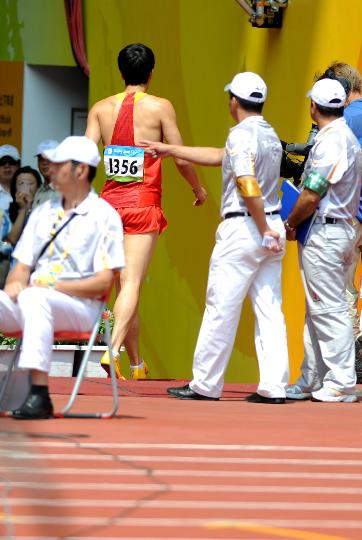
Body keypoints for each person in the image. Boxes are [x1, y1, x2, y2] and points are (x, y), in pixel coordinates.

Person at [144, 72, 290, 403]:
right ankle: (274, 386)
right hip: (271, 227)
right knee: (270, 310)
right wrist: (171, 149)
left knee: (220, 306)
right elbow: (220, 156)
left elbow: (245, 181)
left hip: (245, 228)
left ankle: (206, 384)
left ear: (234, 102)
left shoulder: (241, 135)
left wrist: (261, 228)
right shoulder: (269, 134)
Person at [85, 43, 207, 380]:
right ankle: (113, 351)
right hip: (142, 203)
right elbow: (180, 156)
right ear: (151, 73)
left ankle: (137, 365)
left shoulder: (100, 108)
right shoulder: (159, 107)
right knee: (133, 283)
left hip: (108, 205)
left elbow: (85, 156)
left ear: (121, 71)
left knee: (126, 285)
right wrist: (197, 188)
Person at [0, 136, 125, 419]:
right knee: (24, 297)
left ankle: (39, 395)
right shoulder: (44, 212)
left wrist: (51, 285)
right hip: (35, 300)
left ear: (80, 171)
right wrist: (13, 287)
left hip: (81, 307)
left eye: (58, 164)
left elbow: (104, 283)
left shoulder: (104, 216)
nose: (51, 169)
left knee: (36, 297)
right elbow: (21, 266)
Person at [284, 79, 362, 402]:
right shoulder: (342, 137)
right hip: (338, 231)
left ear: (313, 108)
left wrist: (290, 221)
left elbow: (312, 193)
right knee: (318, 306)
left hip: (326, 234)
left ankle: (342, 379)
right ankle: (312, 377)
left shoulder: (332, 142)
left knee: (327, 307)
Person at [0, 145, 21, 288]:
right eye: (2, 162)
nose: (7, 166)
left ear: (18, 164)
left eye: (11, 162)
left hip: (21, 261)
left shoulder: (29, 190)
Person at [8, 166, 42, 246]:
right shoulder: (8, 212)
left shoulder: (45, 208)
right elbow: (12, 240)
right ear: (15, 188)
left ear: (38, 188)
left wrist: (30, 207)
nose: (26, 188)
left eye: (30, 184)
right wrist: (23, 209)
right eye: (21, 183)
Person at [32, 139, 59, 208]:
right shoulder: (38, 191)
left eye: (49, 158)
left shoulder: (67, 190)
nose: (45, 163)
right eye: (41, 159)